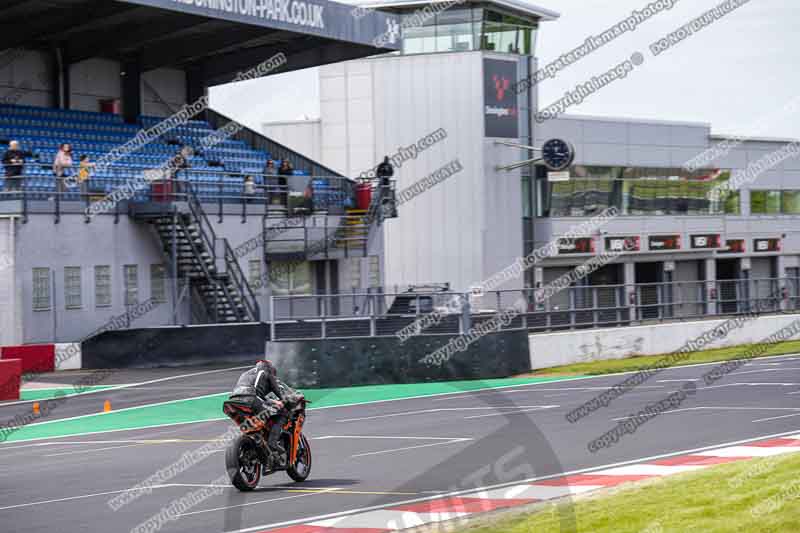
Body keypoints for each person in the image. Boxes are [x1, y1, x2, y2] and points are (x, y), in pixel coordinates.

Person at [229, 360, 288, 466]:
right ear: (269, 368)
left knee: (253, 421)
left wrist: (270, 401)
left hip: (232, 402)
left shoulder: (246, 374)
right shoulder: (266, 372)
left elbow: (258, 393)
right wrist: (285, 400)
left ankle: (254, 442)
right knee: (282, 414)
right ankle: (272, 443)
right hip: (251, 399)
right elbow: (277, 391)